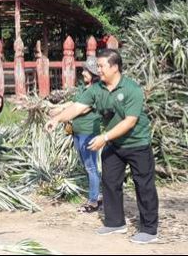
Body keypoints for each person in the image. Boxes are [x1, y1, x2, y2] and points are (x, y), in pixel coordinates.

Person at [45, 49, 159, 244]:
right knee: (110, 181)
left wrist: (104, 137)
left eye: (101, 66)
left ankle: (149, 230)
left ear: (114, 67)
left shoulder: (131, 89)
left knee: (144, 185)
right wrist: (57, 119)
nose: (98, 69)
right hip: (114, 144)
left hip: (137, 143)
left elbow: (130, 122)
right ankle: (115, 223)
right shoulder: (96, 89)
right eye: (97, 66)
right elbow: (78, 107)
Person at [50, 56, 103, 213]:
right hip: (77, 132)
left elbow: (81, 108)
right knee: (88, 166)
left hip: (88, 133)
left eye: (86, 70)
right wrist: (58, 108)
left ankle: (93, 201)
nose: (83, 72)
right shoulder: (83, 88)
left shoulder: (96, 90)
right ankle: (96, 194)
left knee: (91, 167)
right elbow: (73, 103)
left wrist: (59, 116)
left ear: (94, 74)